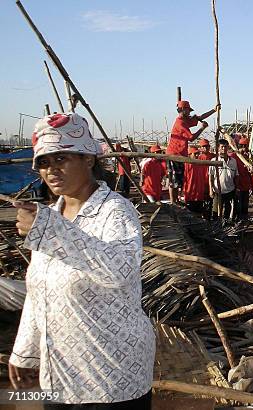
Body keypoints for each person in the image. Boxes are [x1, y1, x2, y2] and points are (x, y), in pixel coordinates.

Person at [10, 113, 155, 407]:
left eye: (61, 159)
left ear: (88, 159)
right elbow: (39, 290)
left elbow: (119, 270)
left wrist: (48, 232)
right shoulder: (50, 217)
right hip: (60, 374)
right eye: (44, 163)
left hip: (112, 375)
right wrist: (25, 351)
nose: (51, 170)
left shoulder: (115, 212)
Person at [166, 100, 218, 204]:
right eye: (188, 110)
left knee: (178, 179)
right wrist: (202, 128)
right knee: (174, 180)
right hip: (174, 154)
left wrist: (214, 110)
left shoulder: (185, 120)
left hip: (180, 154)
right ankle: (173, 202)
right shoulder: (180, 123)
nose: (189, 112)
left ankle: (175, 201)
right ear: (182, 110)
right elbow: (191, 138)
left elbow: (200, 117)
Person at [209, 139, 238, 221]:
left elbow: (236, 175)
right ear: (218, 148)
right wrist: (210, 190)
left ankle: (226, 226)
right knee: (216, 211)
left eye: (225, 147)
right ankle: (216, 227)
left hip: (230, 190)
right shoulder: (214, 161)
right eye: (222, 147)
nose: (224, 149)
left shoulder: (233, 161)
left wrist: (236, 188)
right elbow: (210, 177)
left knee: (228, 211)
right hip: (217, 191)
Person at [231, 137, 253, 221]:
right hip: (237, 186)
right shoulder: (233, 156)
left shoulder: (248, 157)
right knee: (238, 207)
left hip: (245, 186)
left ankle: (243, 223)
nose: (245, 149)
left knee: (244, 206)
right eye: (244, 147)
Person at [183, 146, 207, 214]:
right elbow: (184, 180)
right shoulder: (186, 164)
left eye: (198, 153)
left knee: (199, 213)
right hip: (190, 195)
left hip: (199, 194)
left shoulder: (200, 163)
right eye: (195, 154)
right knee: (190, 215)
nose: (197, 155)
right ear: (190, 154)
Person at [198, 139, 214, 219]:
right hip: (201, 184)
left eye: (207, 146)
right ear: (200, 148)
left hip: (211, 183)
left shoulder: (213, 156)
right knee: (202, 203)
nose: (206, 148)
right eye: (203, 146)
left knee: (211, 202)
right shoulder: (198, 158)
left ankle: (209, 218)